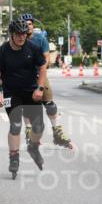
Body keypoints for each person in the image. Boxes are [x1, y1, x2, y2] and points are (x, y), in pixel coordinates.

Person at [0, 18, 48, 179]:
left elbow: (42, 67)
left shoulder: (33, 48)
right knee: (15, 125)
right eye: (18, 34)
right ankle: (14, 157)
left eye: (24, 34)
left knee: (39, 127)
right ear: (11, 35)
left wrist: (40, 88)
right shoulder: (2, 52)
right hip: (11, 94)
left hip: (31, 92)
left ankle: (33, 146)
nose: (22, 37)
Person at [21, 13, 73, 149]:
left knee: (50, 104)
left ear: (33, 25)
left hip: (40, 74)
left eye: (30, 24)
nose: (28, 27)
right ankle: (28, 130)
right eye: (25, 25)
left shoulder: (40, 39)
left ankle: (57, 133)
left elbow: (46, 58)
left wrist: (40, 68)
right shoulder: (18, 39)